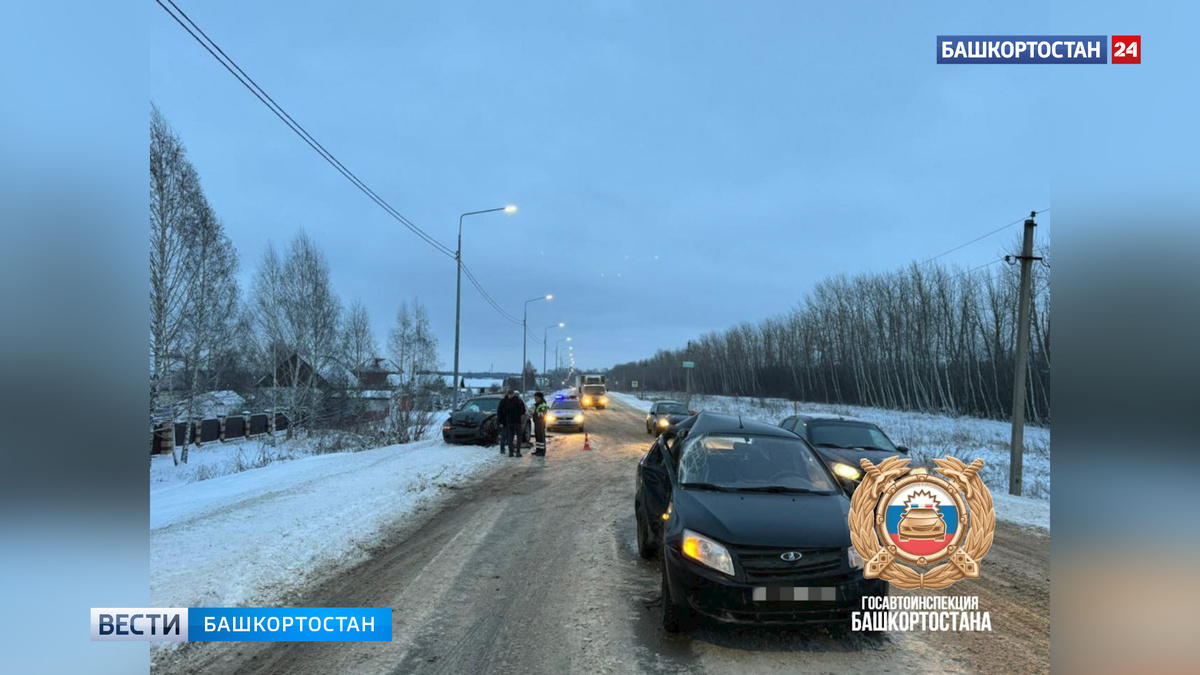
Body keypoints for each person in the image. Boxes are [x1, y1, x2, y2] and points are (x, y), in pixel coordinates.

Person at [496, 388, 527, 458]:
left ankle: (511, 452)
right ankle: (516, 452)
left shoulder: (504, 401)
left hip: (509, 422)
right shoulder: (518, 401)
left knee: (510, 437)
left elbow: (499, 412)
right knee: (516, 437)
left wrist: (500, 421)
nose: (510, 395)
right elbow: (523, 411)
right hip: (515, 421)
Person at [531, 392, 549, 456]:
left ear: (539, 397)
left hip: (541, 423)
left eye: (536, 398)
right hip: (537, 422)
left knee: (541, 437)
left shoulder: (543, 404)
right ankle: (538, 450)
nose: (535, 399)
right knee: (537, 437)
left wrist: (534, 413)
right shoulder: (537, 404)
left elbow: (542, 414)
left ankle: (542, 451)